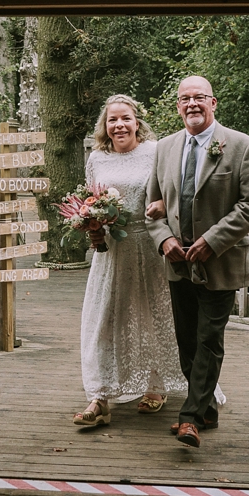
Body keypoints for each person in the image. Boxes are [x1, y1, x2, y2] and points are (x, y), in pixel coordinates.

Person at [146, 76, 249, 448]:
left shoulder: (242, 146)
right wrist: (164, 240)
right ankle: (207, 409)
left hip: (220, 262)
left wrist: (211, 242)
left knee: (209, 338)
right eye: (185, 99)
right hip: (178, 262)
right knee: (186, 341)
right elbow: (152, 208)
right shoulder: (164, 148)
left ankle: (190, 417)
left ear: (214, 103)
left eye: (199, 97)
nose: (192, 104)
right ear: (177, 106)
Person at [71, 94, 188, 427]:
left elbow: (175, 189)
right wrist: (91, 225)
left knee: (154, 314)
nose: (119, 125)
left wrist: (164, 206)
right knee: (104, 318)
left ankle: (157, 385)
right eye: (112, 120)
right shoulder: (97, 158)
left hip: (150, 244)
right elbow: (91, 199)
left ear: (137, 121)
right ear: (104, 126)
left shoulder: (155, 152)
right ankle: (100, 395)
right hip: (112, 249)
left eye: (125, 118)